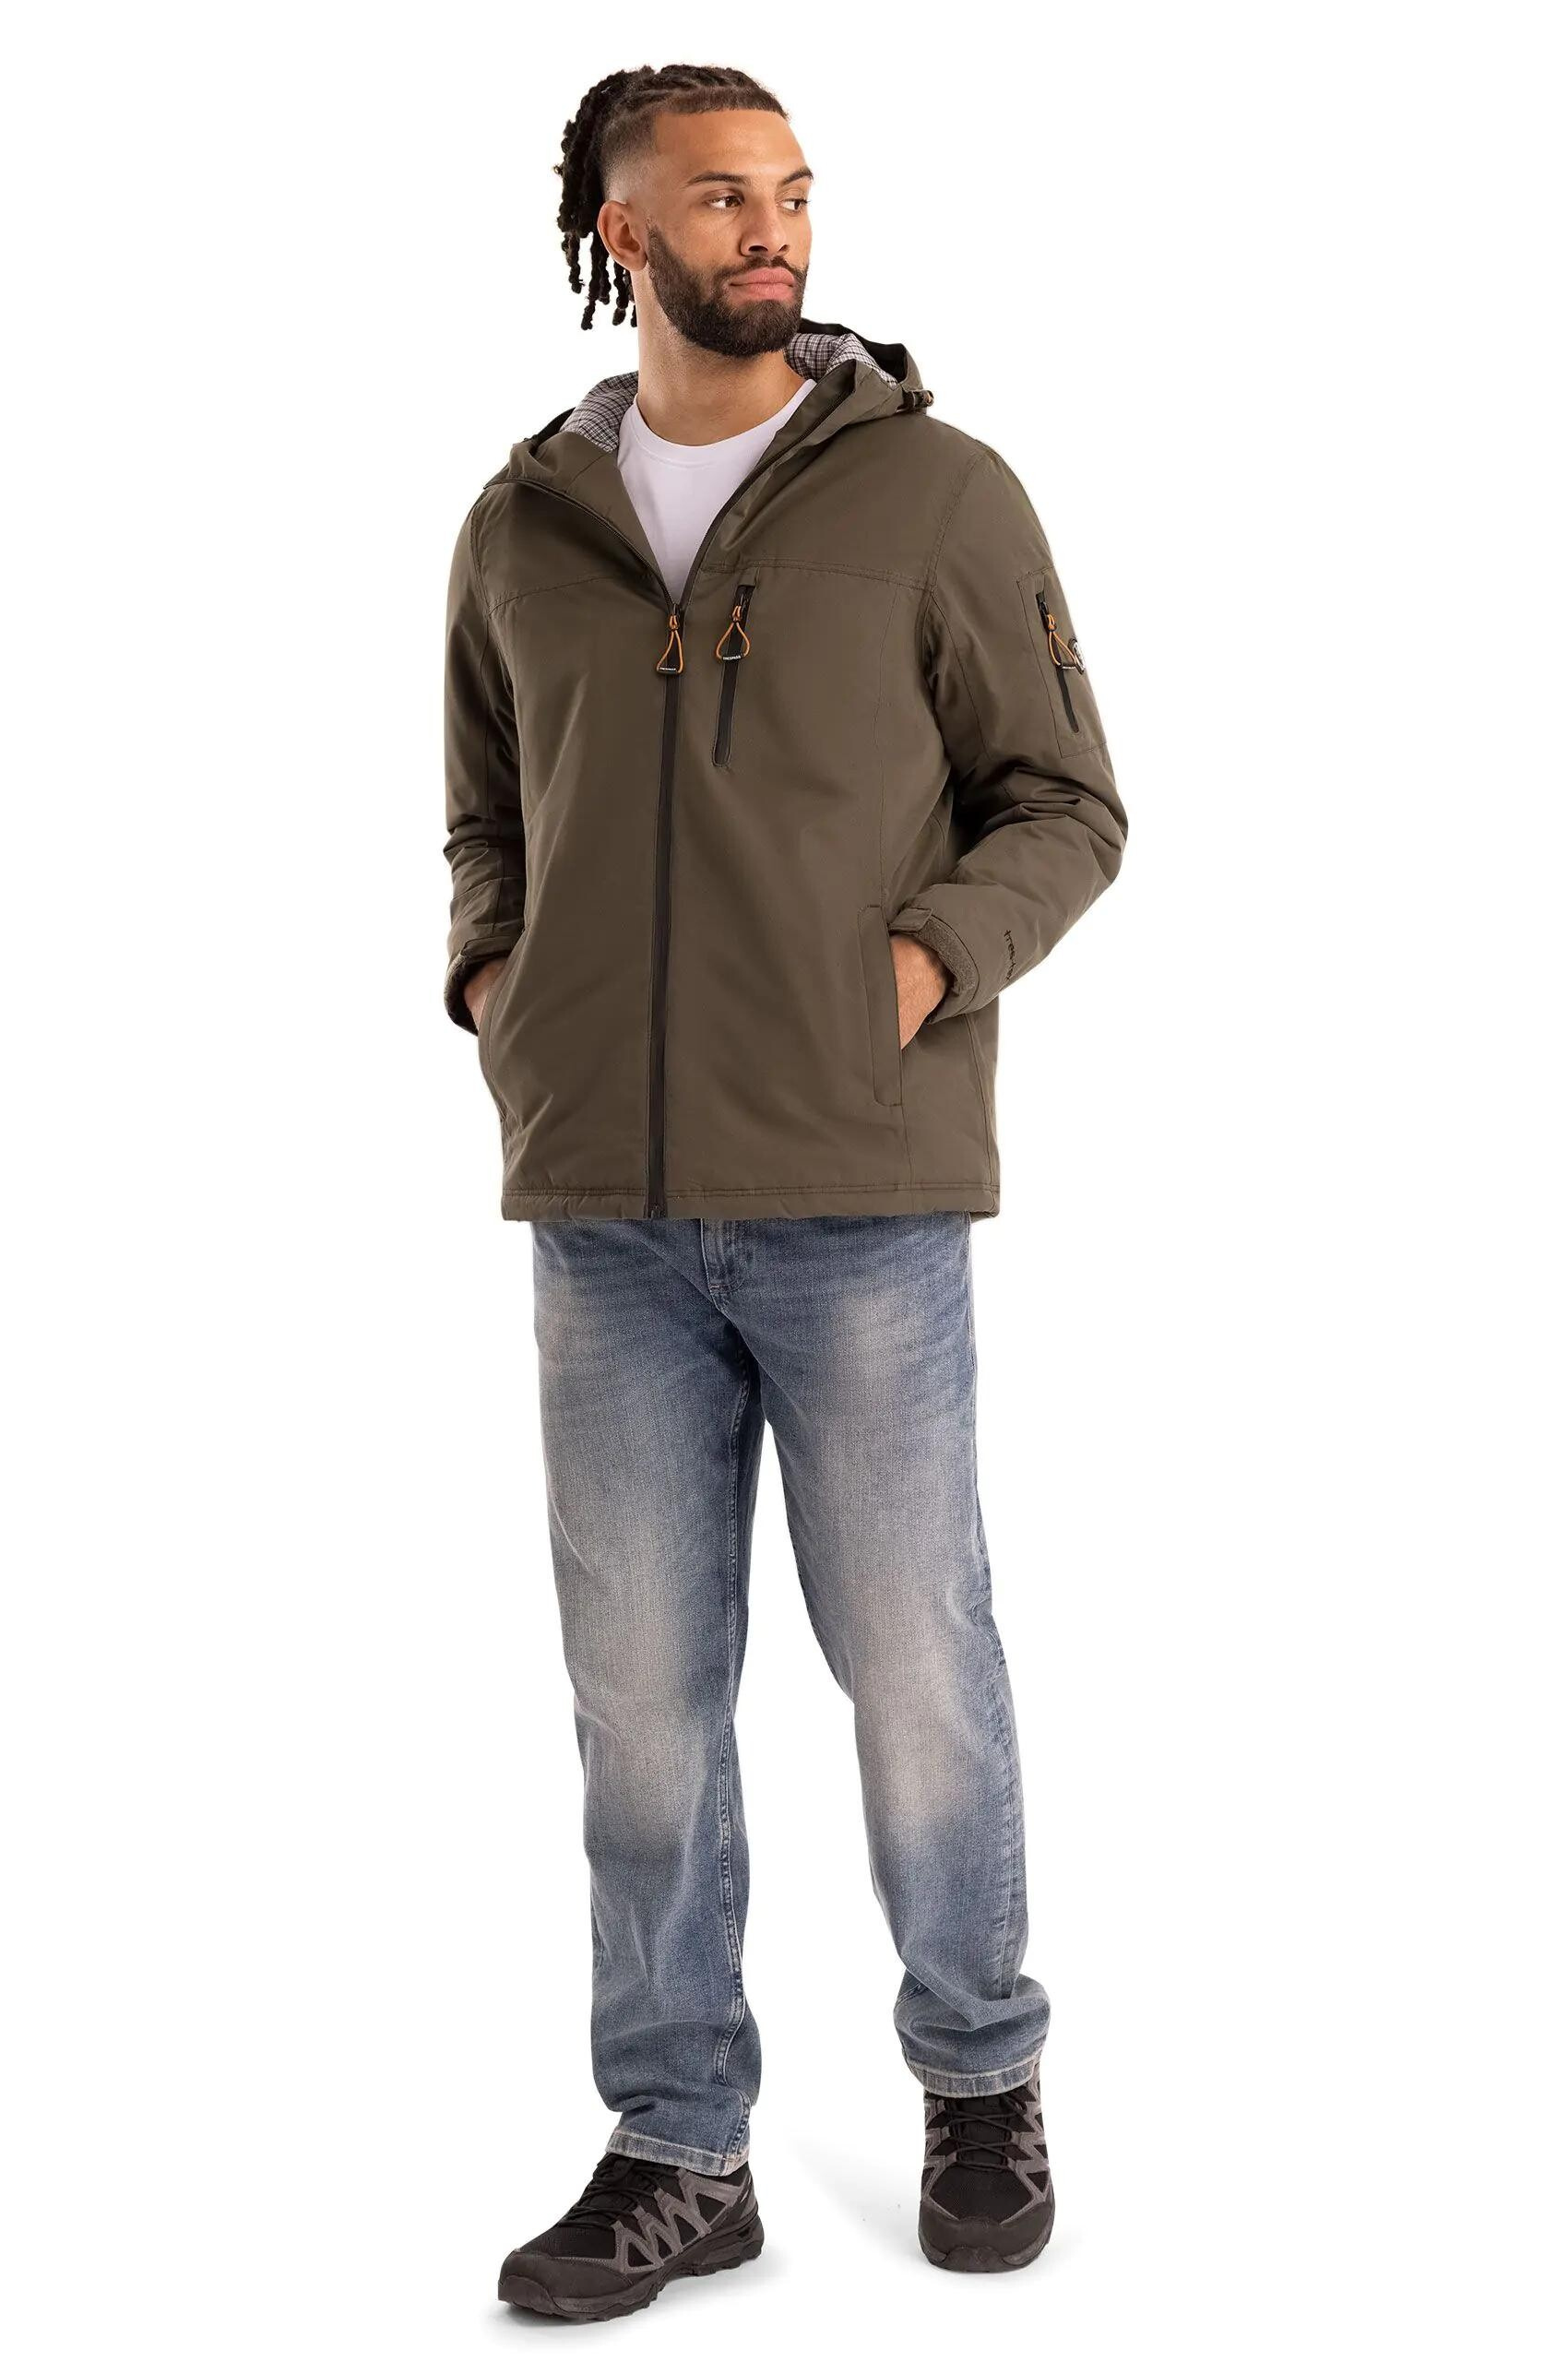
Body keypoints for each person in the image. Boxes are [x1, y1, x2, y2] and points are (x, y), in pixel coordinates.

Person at [441, 62, 1125, 2321]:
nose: (772, 228)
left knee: (913, 1658)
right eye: (721, 196)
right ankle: (678, 2141)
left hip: (855, 1188)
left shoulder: (932, 494)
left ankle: (979, 2070)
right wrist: (495, 985)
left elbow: (1063, 804)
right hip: (604, 1214)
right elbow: (486, 815)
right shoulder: (520, 523)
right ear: (616, 233)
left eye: (793, 192)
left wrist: (911, 969)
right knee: (637, 1700)